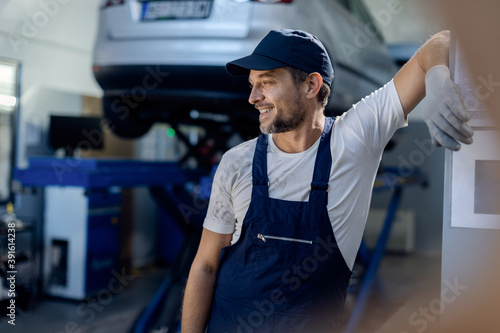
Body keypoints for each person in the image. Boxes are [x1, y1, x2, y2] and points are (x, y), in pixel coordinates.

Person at [181, 29, 473, 333]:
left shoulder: (354, 141)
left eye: (266, 82)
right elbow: (205, 267)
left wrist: (437, 78)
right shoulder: (236, 163)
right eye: (253, 84)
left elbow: (442, 41)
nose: (253, 97)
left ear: (311, 84)